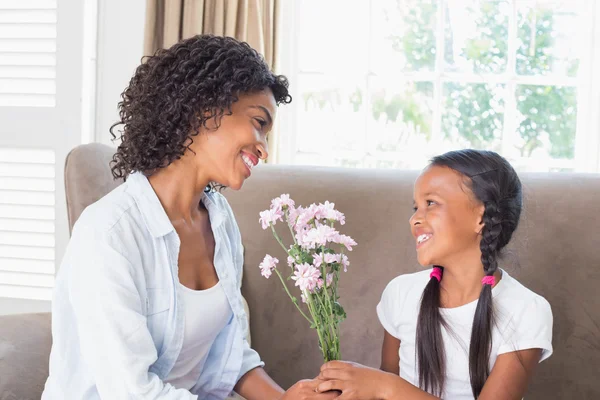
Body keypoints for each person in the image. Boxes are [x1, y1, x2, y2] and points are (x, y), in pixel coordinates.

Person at [43, 34, 337, 400]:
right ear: (204, 108)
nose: (263, 148)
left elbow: (226, 357)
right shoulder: (108, 233)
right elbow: (130, 392)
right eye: (258, 122)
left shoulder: (219, 220)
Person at [316, 149, 553, 399]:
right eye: (415, 207)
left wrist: (386, 386)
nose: (414, 219)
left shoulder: (527, 310)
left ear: (480, 217)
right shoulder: (400, 293)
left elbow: (388, 388)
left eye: (431, 203)